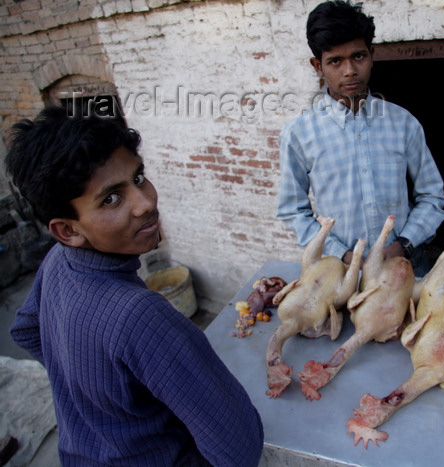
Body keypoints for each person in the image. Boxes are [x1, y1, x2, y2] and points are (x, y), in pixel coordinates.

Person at [5, 107, 264, 466]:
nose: (146, 203)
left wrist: (98, 395)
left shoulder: (57, 263)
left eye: (138, 177)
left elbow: (27, 330)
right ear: (68, 230)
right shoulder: (141, 317)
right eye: (111, 198)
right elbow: (237, 447)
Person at [276, 0, 444, 276]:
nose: (350, 71)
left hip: (406, 267)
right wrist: (342, 255)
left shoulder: (403, 123)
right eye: (335, 61)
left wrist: (403, 245)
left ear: (372, 54)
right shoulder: (299, 134)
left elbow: (432, 196)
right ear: (317, 66)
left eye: (358, 56)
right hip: (341, 274)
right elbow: (293, 211)